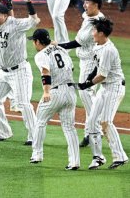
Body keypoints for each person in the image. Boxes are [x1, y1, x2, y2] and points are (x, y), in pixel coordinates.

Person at [0, 0, 40, 145]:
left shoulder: (16, 24)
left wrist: (29, 2)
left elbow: (33, 20)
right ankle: (3, 132)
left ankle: (34, 135)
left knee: (23, 103)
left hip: (19, 71)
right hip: (3, 73)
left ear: (5, 15)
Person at [77, 17, 128, 170]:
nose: (92, 33)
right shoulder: (98, 46)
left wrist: (87, 84)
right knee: (92, 121)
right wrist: (87, 78)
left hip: (114, 87)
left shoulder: (109, 50)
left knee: (106, 121)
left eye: (94, 31)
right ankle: (98, 157)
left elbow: (102, 76)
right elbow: (96, 68)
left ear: (100, 33)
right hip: (104, 88)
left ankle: (120, 156)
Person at [54, 0, 104, 147]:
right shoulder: (92, 15)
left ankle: (96, 129)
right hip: (89, 60)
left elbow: (77, 42)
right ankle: (91, 132)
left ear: (95, 5)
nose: (84, 5)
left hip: (91, 61)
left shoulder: (95, 22)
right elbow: (82, 7)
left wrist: (58, 46)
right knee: (88, 94)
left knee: (85, 92)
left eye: (87, 3)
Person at [28, 29, 80, 170]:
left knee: (40, 121)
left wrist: (46, 92)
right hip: (70, 92)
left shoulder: (40, 55)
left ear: (38, 42)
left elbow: (45, 72)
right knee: (70, 128)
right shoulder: (61, 49)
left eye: (34, 41)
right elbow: (72, 67)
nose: (34, 44)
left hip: (55, 92)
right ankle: (75, 161)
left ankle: (37, 155)